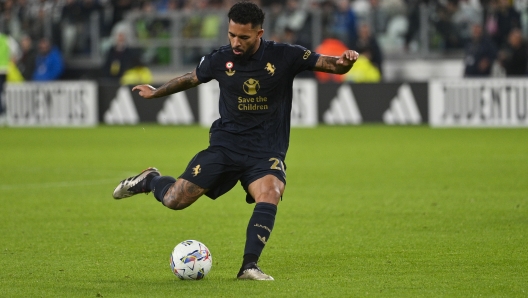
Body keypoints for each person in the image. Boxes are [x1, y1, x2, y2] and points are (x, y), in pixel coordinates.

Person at [112, 1, 358, 281]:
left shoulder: (284, 55)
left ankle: (249, 266)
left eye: (243, 37)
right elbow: (191, 79)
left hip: (266, 150)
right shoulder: (219, 59)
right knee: (174, 200)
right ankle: (149, 180)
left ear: (260, 33)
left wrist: (344, 63)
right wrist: (157, 92)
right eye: (231, 35)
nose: (236, 42)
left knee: (270, 192)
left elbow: (331, 65)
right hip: (226, 147)